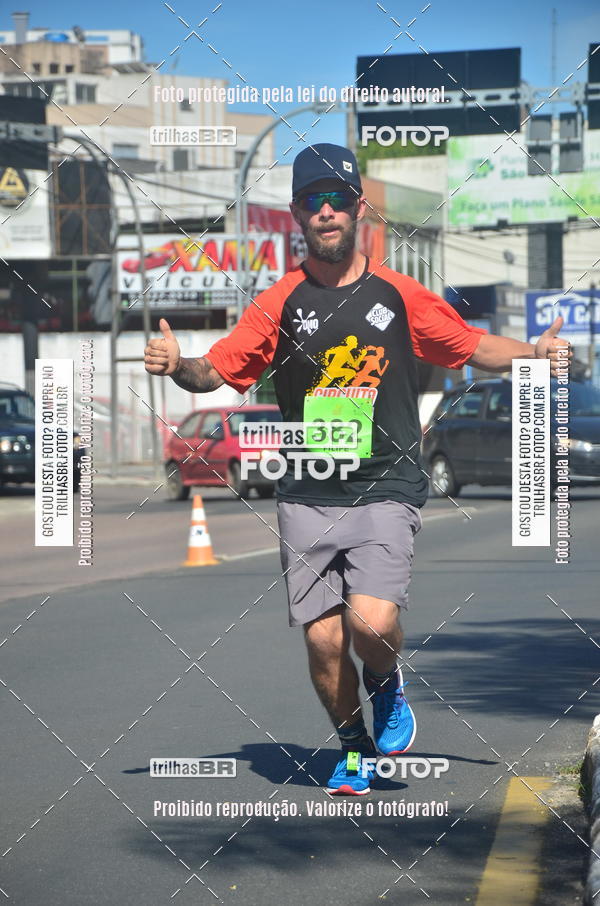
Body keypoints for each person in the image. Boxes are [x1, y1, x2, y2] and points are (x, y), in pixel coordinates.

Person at [144, 142, 571, 796]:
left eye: (337, 198)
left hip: (384, 486)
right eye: (312, 201)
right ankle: (354, 749)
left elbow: (473, 345)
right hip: (308, 490)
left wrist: (533, 354)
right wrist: (178, 365)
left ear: (358, 209)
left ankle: (385, 681)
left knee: (370, 623)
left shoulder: (398, 294)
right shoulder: (279, 302)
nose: (326, 211)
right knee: (321, 641)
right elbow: (217, 371)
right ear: (296, 214)